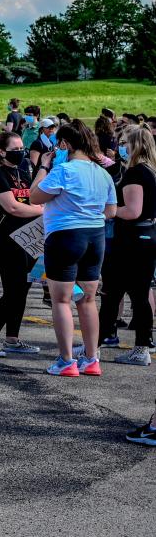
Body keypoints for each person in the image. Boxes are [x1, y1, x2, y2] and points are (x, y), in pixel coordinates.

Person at [30, 121, 118, 376]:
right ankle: (92, 358)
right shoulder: (102, 173)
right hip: (95, 235)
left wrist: (44, 166)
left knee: (61, 299)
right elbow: (110, 211)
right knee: (88, 299)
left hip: (65, 235)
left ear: (65, 145)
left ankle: (66, 360)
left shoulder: (64, 170)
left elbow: (34, 196)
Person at [0, 130, 44, 357]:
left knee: (23, 290)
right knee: (13, 290)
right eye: (14, 149)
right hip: (8, 240)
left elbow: (34, 193)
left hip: (30, 238)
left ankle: (13, 338)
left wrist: (44, 167)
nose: (20, 153)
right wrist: (41, 210)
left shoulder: (23, 169)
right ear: (1, 150)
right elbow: (12, 207)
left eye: (21, 149)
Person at [102, 125, 156, 364]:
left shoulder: (136, 173)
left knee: (124, 293)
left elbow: (132, 211)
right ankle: (104, 338)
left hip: (133, 240)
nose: (120, 148)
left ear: (135, 145)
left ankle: (137, 346)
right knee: (122, 292)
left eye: (124, 143)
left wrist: (108, 211)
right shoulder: (149, 171)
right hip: (144, 236)